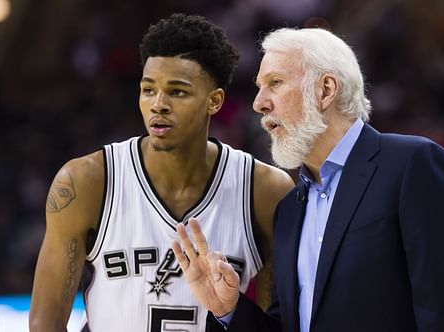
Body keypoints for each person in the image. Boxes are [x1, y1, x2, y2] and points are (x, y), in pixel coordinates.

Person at [171, 27, 444, 332]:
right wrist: (228, 309)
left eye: (275, 83)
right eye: (259, 87)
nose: (259, 103)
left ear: (325, 90)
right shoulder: (289, 212)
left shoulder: (413, 165)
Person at [29, 14, 294, 332]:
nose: (158, 104)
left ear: (215, 101)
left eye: (177, 92)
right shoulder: (87, 182)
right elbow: (45, 322)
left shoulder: (264, 191)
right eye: (148, 90)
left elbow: (276, 325)